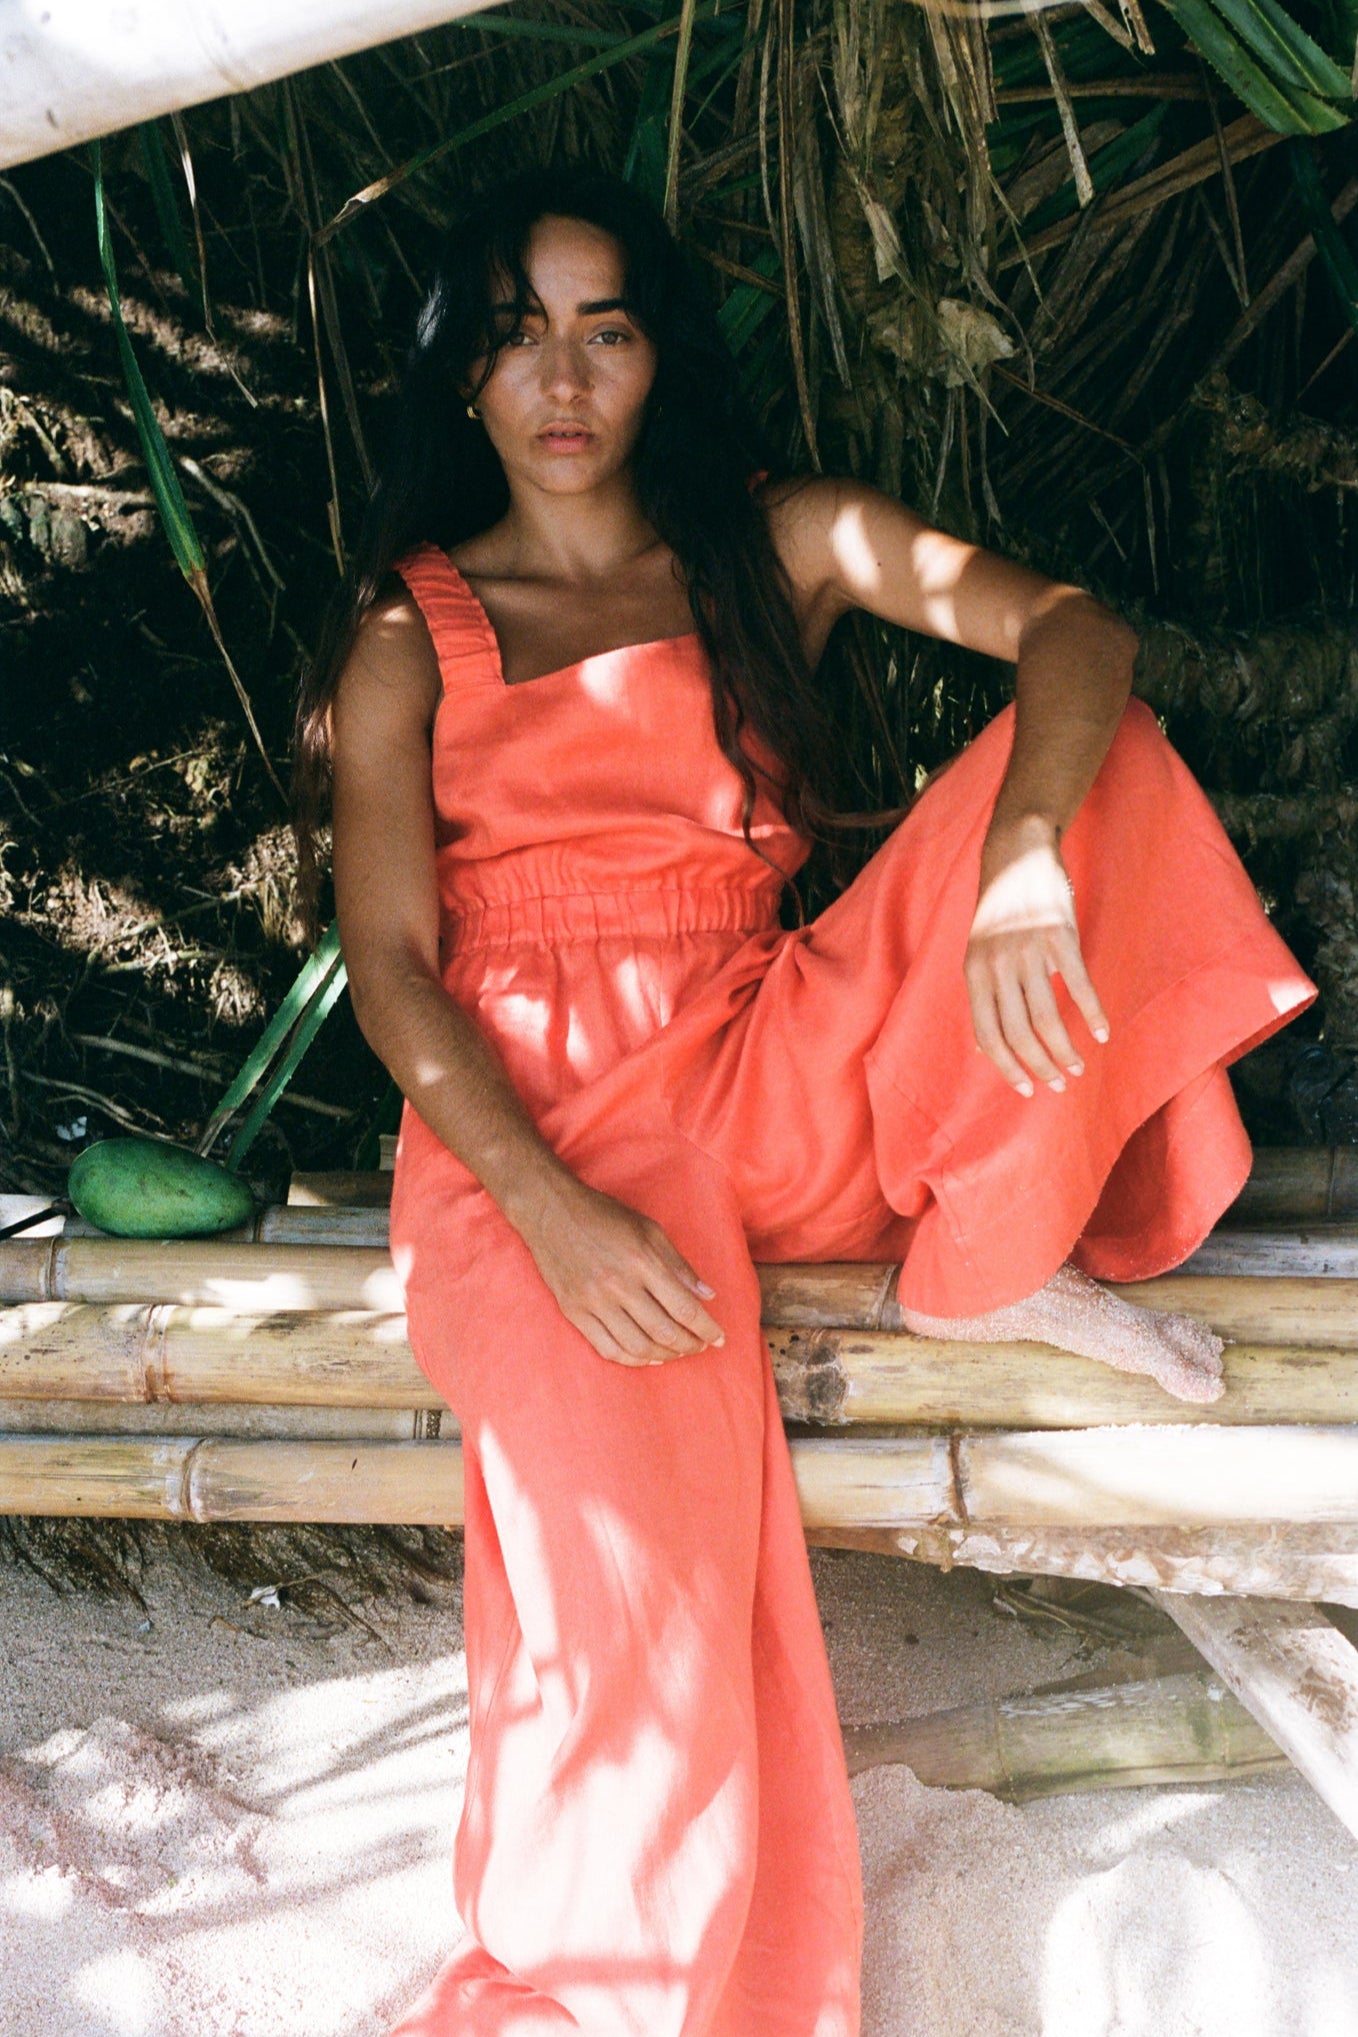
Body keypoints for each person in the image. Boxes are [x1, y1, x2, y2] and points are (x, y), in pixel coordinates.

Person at [293, 164, 1315, 2037]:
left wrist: (1019, 857)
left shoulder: (781, 546)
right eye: (519, 333)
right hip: (541, 1146)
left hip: (764, 1063)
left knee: (1099, 767)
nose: (564, 373)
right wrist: (549, 1210)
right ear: (465, 382)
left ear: (661, 358)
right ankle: (611, 2003)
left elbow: (1078, 633)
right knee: (643, 1614)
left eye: (605, 326)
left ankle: (991, 1237)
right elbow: (393, 972)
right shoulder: (408, 635)